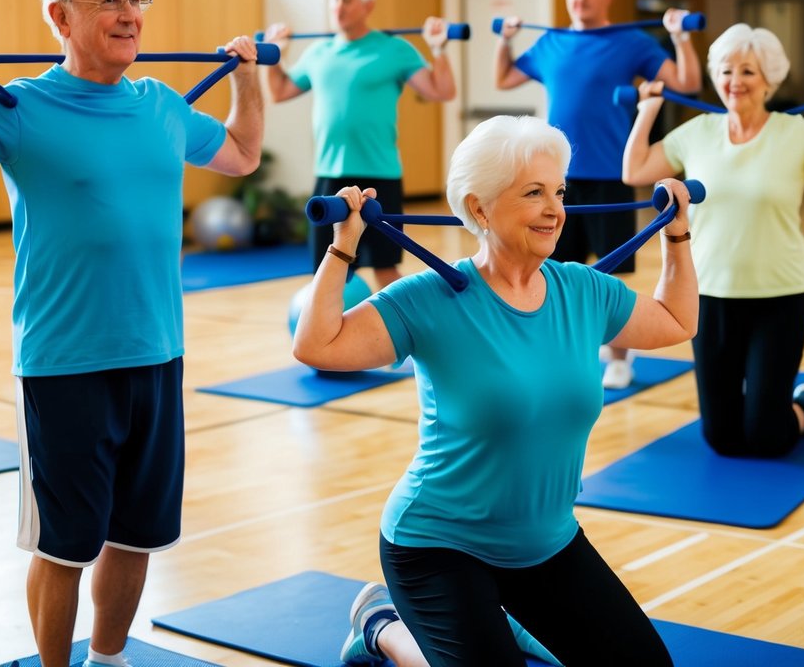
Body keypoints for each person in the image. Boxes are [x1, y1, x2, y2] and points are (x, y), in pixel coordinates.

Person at [0, 0, 264, 667]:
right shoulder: (18, 107)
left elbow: (241, 154)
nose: (129, 15)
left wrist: (247, 80)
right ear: (59, 17)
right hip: (65, 364)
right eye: (108, 2)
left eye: (135, 0)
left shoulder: (161, 106)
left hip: (157, 354)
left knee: (138, 533)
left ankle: (109, 658)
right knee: (65, 545)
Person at [293, 114, 696, 666]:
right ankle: (381, 626)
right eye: (534, 193)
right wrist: (344, 246)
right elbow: (316, 345)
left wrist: (677, 234)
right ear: (479, 208)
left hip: (545, 542)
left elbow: (676, 320)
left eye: (559, 191)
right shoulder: (432, 299)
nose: (556, 209)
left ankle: (501, 622)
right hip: (437, 545)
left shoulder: (582, 290)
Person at [623, 23, 804, 458]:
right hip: (708, 295)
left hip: (779, 296)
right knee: (722, 439)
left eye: (748, 71)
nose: (735, 82)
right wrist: (647, 111)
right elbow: (634, 172)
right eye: (726, 71)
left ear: (769, 79)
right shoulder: (698, 132)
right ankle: (766, 410)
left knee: (767, 436)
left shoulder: (798, 133)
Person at [495, 0, 702, 390]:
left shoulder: (632, 42)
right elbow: (506, 79)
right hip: (556, 180)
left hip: (611, 174)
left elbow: (686, 83)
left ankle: (621, 358)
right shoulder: (550, 41)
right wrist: (505, 40)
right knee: (555, 268)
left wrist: (681, 37)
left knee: (611, 273)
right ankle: (561, 354)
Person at [263, 0, 457, 290]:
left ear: (368, 5)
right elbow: (279, 92)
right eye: (334, 0)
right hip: (329, 175)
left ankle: (403, 334)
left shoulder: (394, 50)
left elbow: (442, 91)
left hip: (379, 176)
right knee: (326, 270)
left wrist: (438, 50)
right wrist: (276, 57)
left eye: (347, 0)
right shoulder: (318, 53)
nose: (338, 7)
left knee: (385, 271)